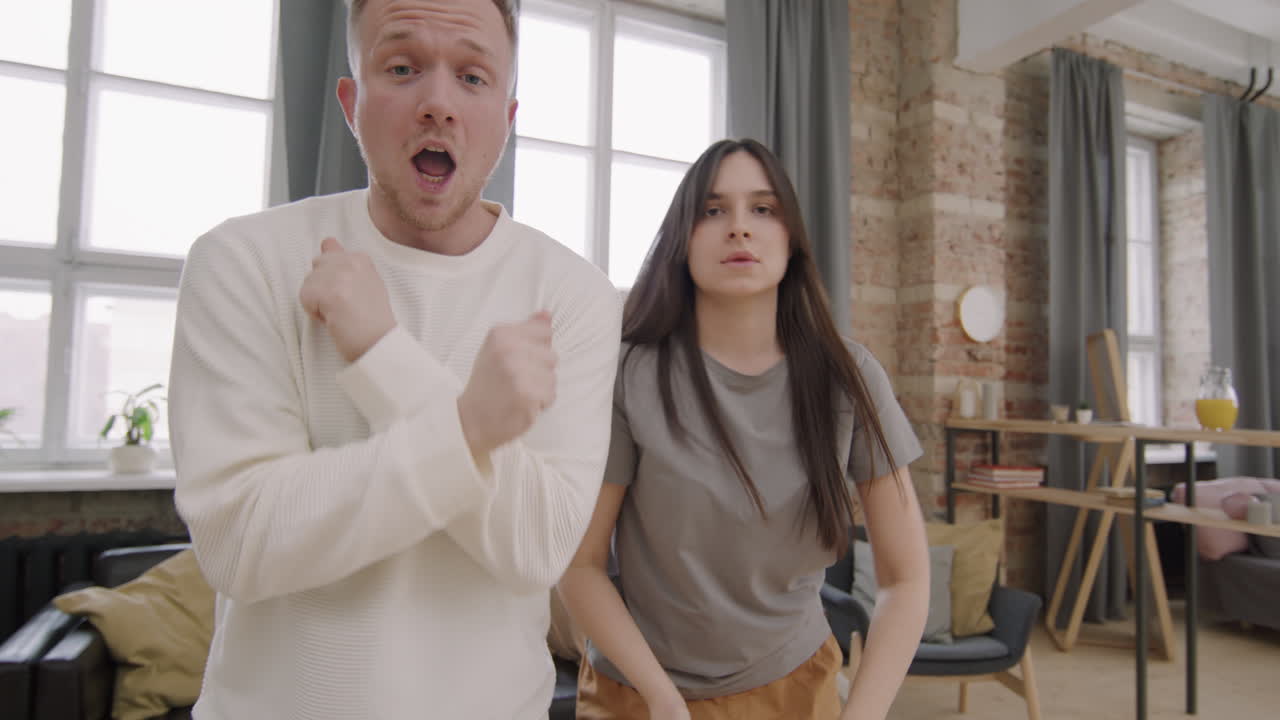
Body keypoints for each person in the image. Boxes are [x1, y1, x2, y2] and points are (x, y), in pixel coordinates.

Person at [167, 1, 620, 717]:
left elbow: (538, 549)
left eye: (472, 77)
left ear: (506, 118)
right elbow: (241, 541)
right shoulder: (242, 260)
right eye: (403, 68)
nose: (438, 102)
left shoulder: (575, 296)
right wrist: (468, 429)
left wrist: (384, 356)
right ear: (351, 103)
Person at [557, 138, 931, 720]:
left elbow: (905, 580)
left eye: (762, 208)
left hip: (793, 685)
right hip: (636, 688)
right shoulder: (628, 373)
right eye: (713, 210)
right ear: (683, 239)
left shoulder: (849, 377)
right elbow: (579, 566)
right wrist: (660, 697)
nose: (739, 227)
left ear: (791, 237)